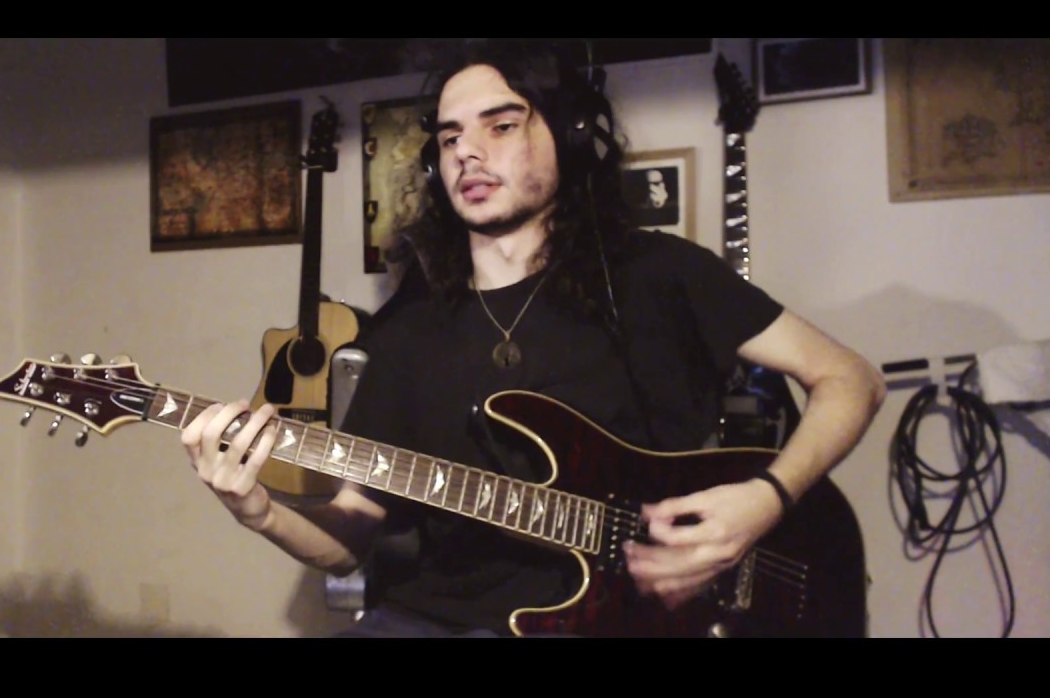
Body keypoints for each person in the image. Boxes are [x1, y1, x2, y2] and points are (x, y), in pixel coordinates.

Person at [181, 40, 886, 637]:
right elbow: (350, 539)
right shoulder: (407, 331)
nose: (467, 152)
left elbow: (851, 379)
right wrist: (259, 510)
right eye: (449, 138)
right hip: (437, 620)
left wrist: (766, 500)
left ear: (570, 135)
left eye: (501, 125)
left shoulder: (662, 274)